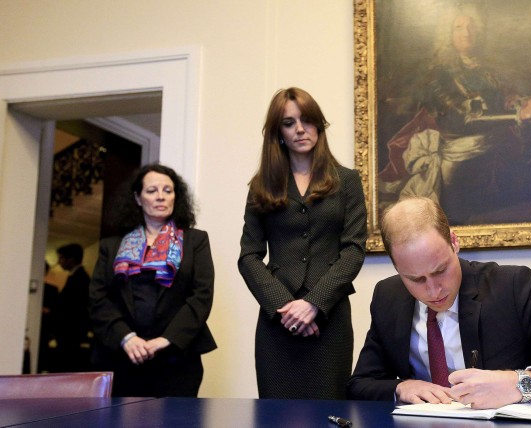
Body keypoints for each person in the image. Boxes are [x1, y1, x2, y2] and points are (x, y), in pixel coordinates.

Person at [347, 196, 531, 409]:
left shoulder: (513, 288)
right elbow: (359, 385)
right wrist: (402, 388)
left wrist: (519, 383)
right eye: (415, 279)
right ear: (397, 268)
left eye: (440, 270)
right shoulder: (388, 297)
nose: (433, 290)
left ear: (454, 243)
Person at [378, 5, 531, 225]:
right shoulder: (438, 75)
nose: (467, 32)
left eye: (471, 27)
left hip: (495, 149)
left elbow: (505, 103)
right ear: (448, 34)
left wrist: (528, 105)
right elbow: (461, 120)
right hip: (461, 155)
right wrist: (519, 115)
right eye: (459, 27)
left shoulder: (489, 72)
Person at [239, 87, 367, 399]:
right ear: (278, 133)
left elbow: (354, 249)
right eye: (288, 122)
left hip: (329, 319)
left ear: (319, 125)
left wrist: (313, 303)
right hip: (277, 324)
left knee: (329, 411)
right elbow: (249, 256)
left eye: (307, 120)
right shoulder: (261, 186)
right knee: (276, 416)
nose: (300, 129)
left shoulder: (347, 180)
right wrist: (283, 307)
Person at [89, 163, 216, 397]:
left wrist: (166, 340)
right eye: (152, 191)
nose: (160, 197)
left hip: (176, 357)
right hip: (122, 355)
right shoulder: (111, 245)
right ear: (138, 198)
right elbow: (98, 299)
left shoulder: (195, 241)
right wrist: (126, 338)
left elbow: (201, 297)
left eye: (168, 190)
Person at [54, 243, 92, 372]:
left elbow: (74, 307)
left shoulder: (80, 278)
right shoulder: (76, 277)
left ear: (71, 259)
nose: (59, 262)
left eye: (61, 258)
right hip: (70, 332)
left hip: (71, 332)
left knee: (67, 365)